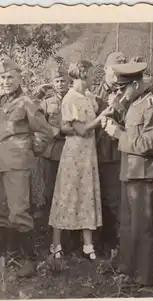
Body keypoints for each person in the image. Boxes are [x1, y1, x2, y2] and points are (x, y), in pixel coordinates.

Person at [102, 61, 153, 287]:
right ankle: (126, 268)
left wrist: (118, 134)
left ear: (136, 84)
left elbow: (147, 144)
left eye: (123, 88)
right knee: (127, 224)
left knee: (143, 226)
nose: (119, 93)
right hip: (129, 171)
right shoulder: (133, 103)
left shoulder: (151, 106)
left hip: (144, 173)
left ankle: (146, 276)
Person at [0, 58, 54, 277]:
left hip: (18, 163)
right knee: (3, 211)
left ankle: (30, 259)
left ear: (19, 79)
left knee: (19, 211)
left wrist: (30, 151)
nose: (6, 81)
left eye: (10, 77)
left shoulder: (27, 102)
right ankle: (12, 252)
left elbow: (45, 132)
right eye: (2, 77)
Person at [48, 60, 113, 261]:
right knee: (66, 194)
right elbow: (82, 129)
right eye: (92, 74)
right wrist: (103, 115)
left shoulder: (88, 96)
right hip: (74, 152)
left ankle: (87, 244)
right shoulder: (70, 98)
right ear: (83, 73)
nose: (94, 78)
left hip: (88, 153)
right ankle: (56, 244)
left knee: (87, 194)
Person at [94, 51, 127, 257]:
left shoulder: (126, 93)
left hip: (114, 153)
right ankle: (95, 240)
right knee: (96, 197)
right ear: (105, 69)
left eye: (120, 72)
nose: (116, 76)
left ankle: (114, 241)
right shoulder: (94, 92)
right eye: (113, 70)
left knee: (114, 198)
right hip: (94, 152)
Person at [40, 65, 71, 222]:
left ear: (68, 80)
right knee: (49, 189)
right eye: (57, 81)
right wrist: (55, 131)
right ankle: (49, 226)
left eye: (63, 81)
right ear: (52, 82)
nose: (60, 84)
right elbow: (40, 124)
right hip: (51, 151)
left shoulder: (74, 99)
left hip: (70, 149)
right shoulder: (47, 102)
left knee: (69, 189)